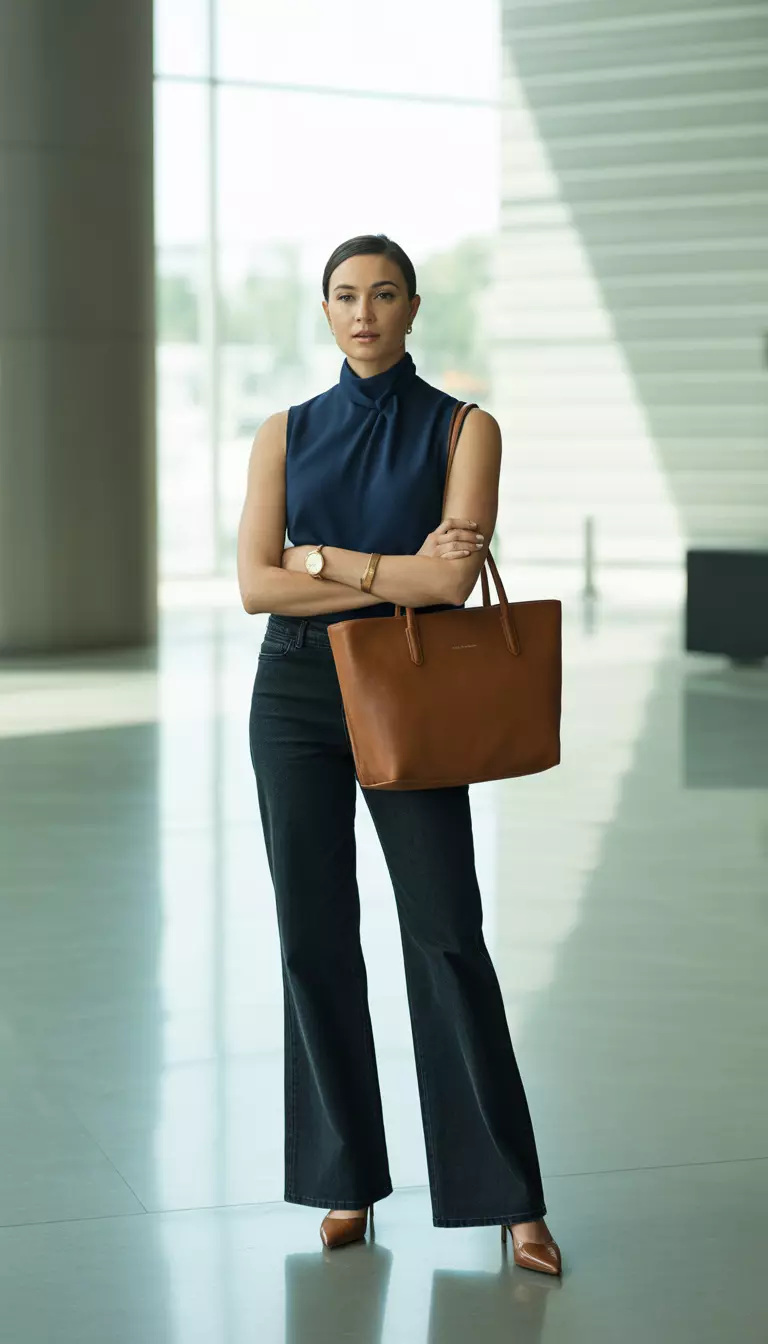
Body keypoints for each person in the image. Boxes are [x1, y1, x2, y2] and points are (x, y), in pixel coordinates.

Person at [237, 234, 562, 1277]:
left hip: (408, 686)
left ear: (415, 306)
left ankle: (512, 1198)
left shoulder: (466, 428)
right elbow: (254, 585)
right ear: (325, 310)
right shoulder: (284, 433)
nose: (364, 312)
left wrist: (324, 558)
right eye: (345, 295)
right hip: (293, 693)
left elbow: (449, 585)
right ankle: (345, 1180)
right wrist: (389, 570)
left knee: (446, 933)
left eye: (384, 294)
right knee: (312, 937)